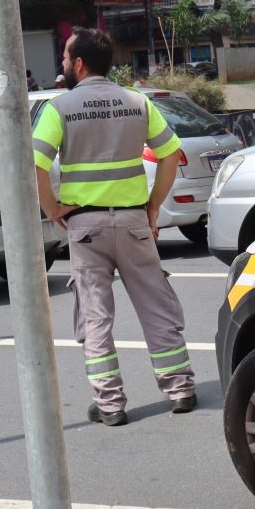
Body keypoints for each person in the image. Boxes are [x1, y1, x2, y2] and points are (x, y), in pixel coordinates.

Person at [32, 27, 195, 427]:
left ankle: (110, 404)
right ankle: (179, 389)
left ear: (79, 64)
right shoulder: (137, 102)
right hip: (134, 222)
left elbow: (34, 163)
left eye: (66, 56)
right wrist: (153, 207)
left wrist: (52, 208)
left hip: (85, 226)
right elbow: (170, 154)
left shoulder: (59, 108)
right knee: (156, 306)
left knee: (95, 316)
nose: (63, 62)